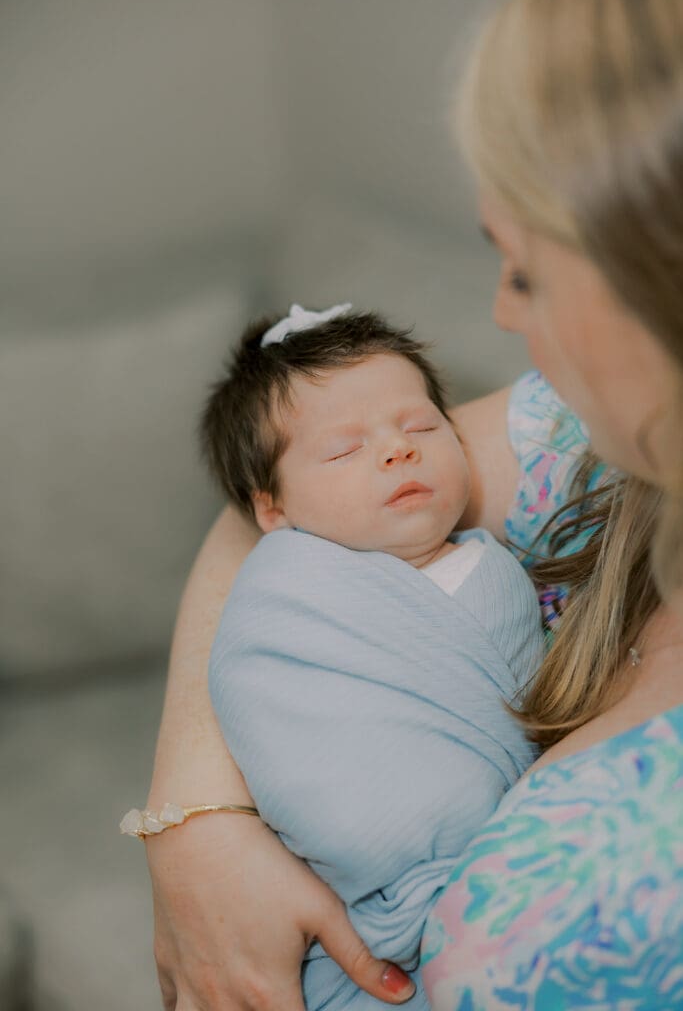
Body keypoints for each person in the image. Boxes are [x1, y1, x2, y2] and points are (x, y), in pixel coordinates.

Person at [141, 0, 683, 1008]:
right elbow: (267, 520)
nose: (497, 311)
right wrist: (197, 820)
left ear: (649, 291)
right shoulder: (576, 436)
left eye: (522, 271)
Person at [197, 303, 544, 1011]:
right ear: (273, 511)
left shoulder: (496, 568)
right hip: (371, 910)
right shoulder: (285, 601)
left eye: (420, 427)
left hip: (510, 871)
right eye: (342, 450)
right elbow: (293, 744)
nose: (397, 450)